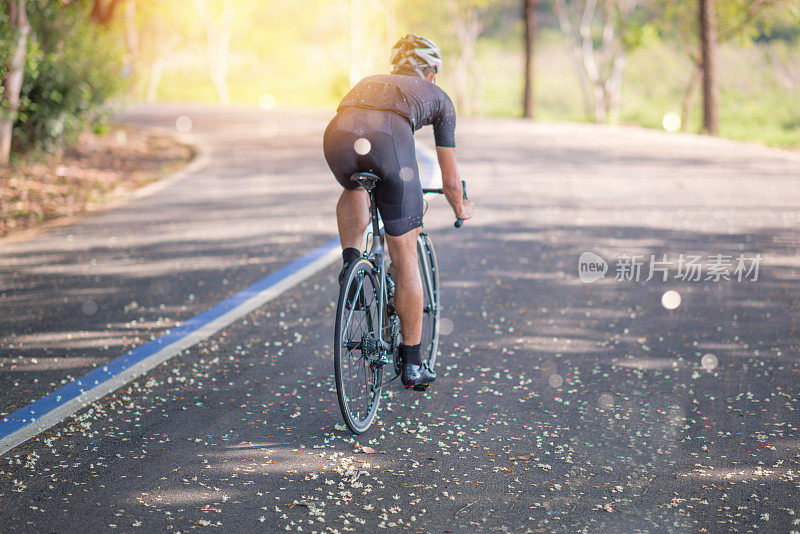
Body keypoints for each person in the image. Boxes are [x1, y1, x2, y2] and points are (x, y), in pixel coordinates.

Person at [323, 34, 473, 389]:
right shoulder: (439, 98)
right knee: (405, 258)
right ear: (432, 74)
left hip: (337, 138)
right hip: (388, 141)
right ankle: (412, 363)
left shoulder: (370, 82)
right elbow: (450, 180)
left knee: (354, 185)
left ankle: (351, 265)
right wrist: (461, 207)